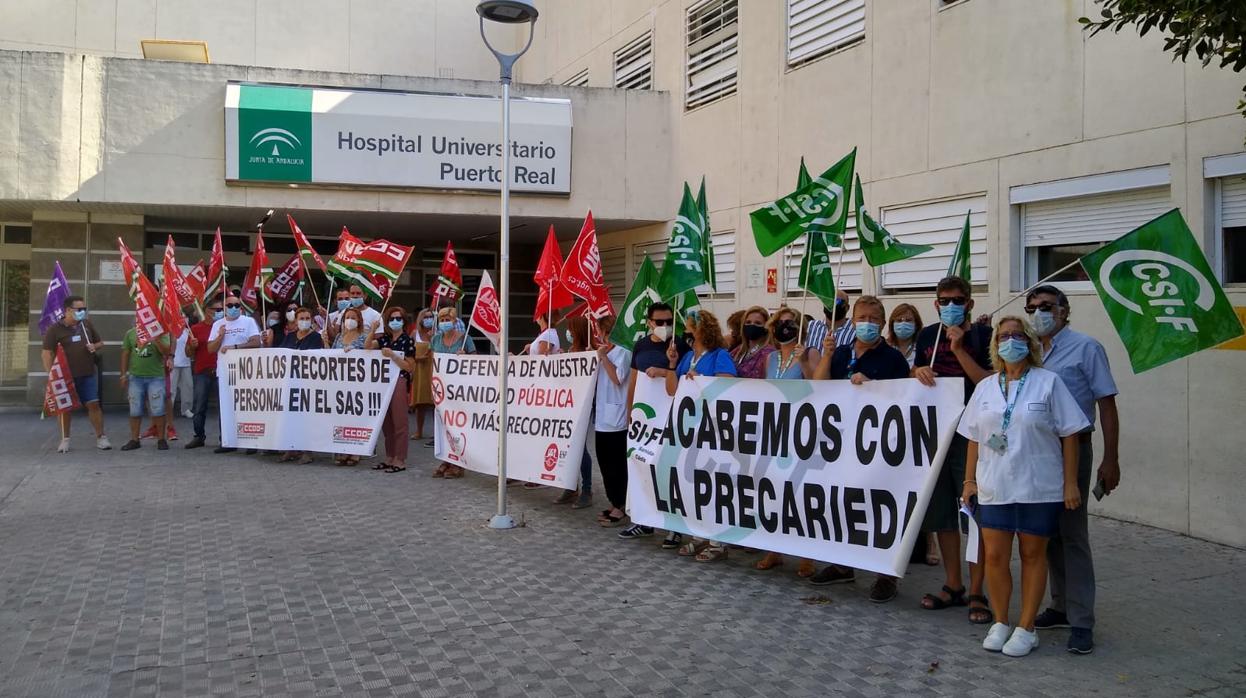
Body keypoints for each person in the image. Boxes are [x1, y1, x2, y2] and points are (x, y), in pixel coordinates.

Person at [959, 316, 1088, 657]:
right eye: (1003, 336)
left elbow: (1071, 433)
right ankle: (1001, 621)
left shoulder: (1049, 382)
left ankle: (1027, 627)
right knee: (997, 558)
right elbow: (973, 437)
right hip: (994, 486)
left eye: (1017, 335)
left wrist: (1070, 482)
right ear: (995, 344)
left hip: (1038, 487)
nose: (1010, 341)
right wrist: (969, 480)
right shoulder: (986, 386)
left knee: (1033, 556)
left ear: (1030, 342)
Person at [1023, 285, 1120, 655]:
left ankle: (1082, 621)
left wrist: (1110, 459)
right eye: (1032, 308)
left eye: (1046, 307)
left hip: (1074, 451)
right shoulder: (1029, 348)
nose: (1039, 313)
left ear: (1064, 310)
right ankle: (1060, 605)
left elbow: (1106, 404)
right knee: (1047, 534)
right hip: (1037, 453)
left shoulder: (1086, 348)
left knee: (1074, 534)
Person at [805, 296, 913, 598]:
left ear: (882, 322)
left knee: (880, 508)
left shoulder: (893, 359)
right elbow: (820, 386)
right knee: (842, 503)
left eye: (874, 319)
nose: (867, 323)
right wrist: (826, 357)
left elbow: (904, 401)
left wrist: (873, 387)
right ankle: (842, 565)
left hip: (878, 446)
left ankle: (886, 574)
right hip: (841, 443)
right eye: (861, 317)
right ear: (852, 321)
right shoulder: (840, 352)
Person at [913, 276, 994, 624]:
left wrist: (960, 349)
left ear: (970, 304)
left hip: (971, 434)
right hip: (935, 431)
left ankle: (978, 590)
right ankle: (953, 583)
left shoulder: (983, 337)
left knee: (974, 510)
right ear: (935, 304)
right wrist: (917, 370)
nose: (951, 306)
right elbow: (913, 374)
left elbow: (989, 383)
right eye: (944, 300)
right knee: (942, 510)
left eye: (958, 300)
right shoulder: (927, 335)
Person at [665, 309, 737, 562]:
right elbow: (672, 389)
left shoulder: (719, 355)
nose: (685, 332)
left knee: (714, 484)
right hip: (690, 430)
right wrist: (672, 365)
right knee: (694, 483)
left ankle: (718, 541)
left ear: (701, 330)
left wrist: (703, 380)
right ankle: (698, 535)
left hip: (714, 429)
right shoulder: (687, 357)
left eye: (689, 328)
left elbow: (729, 382)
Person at [751, 306, 818, 576]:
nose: (784, 327)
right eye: (780, 323)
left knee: (800, 492)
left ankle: (806, 553)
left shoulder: (810, 353)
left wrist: (804, 363)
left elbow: (821, 387)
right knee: (774, 489)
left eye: (790, 323)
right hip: (774, 430)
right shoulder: (771, 358)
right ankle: (774, 549)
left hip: (800, 430)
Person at [617, 302, 690, 543]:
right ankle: (642, 520)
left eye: (669, 322)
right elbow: (634, 381)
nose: (665, 326)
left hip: (669, 417)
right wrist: (630, 411)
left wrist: (663, 370)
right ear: (649, 323)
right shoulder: (640, 345)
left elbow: (682, 378)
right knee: (640, 466)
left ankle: (674, 527)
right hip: (643, 420)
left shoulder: (678, 345)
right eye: (660, 322)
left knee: (668, 468)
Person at [42, 296, 111, 452]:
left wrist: (95, 346)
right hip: (65, 376)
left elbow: (100, 342)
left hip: (87, 372)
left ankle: (101, 437)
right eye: (79, 309)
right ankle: (65, 439)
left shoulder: (86, 324)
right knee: (65, 408)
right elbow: (47, 353)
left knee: (93, 404)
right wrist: (51, 376)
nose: (83, 312)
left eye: (84, 309)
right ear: (68, 310)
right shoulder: (55, 329)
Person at [209, 295, 262, 454]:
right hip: (225, 373)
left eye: (236, 305)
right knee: (225, 406)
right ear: (224, 307)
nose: (233, 308)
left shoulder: (248, 322)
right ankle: (226, 440)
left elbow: (256, 342)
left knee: (248, 406)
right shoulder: (218, 324)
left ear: (241, 307)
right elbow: (210, 349)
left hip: (247, 371)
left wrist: (236, 347)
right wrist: (220, 336)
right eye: (230, 305)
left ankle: (251, 443)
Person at [593, 315, 632, 527]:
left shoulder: (623, 351)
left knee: (616, 465)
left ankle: (620, 506)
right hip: (601, 419)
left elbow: (617, 378)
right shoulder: (606, 351)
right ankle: (613, 501)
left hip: (616, 420)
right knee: (605, 463)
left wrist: (604, 358)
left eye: (598, 329)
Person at [369, 306, 417, 473]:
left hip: (399, 381)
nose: (395, 321)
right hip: (384, 382)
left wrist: (394, 356)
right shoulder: (384, 339)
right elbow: (368, 347)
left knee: (400, 422)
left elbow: (410, 367)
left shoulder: (407, 340)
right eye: (392, 319)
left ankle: (400, 458)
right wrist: (372, 330)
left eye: (399, 318)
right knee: (387, 422)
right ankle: (390, 456)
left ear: (403, 321)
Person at [553, 316, 594, 507]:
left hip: (583, 406)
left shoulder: (590, 352)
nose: (568, 333)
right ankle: (570, 486)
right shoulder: (570, 351)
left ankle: (586, 489)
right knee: (568, 446)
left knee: (581, 448)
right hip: (568, 406)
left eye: (570, 329)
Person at [430, 306, 475, 478]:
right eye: (441, 320)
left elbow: (476, 361)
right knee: (442, 426)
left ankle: (459, 462)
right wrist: (431, 386)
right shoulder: (435, 340)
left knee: (459, 426)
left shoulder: (465, 339)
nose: (444, 323)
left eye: (447, 319)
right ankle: (446, 459)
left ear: (455, 322)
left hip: (460, 390)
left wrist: (466, 356)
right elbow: (433, 364)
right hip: (441, 390)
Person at [118, 324, 172, 451]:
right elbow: (125, 353)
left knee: (158, 409)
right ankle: (134, 439)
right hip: (135, 377)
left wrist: (156, 339)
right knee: (135, 410)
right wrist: (123, 374)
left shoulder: (161, 333)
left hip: (156, 377)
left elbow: (166, 352)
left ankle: (161, 439)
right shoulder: (130, 333)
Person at [185, 301, 222, 449]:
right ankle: (198, 436)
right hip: (202, 372)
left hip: (221, 372)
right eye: (216, 309)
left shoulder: (225, 327)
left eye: (221, 309)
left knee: (223, 407)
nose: (219, 311)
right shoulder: (196, 328)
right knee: (199, 406)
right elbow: (188, 353)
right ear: (207, 310)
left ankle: (224, 438)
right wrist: (191, 346)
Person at [409, 308, 436, 442]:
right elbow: (408, 352)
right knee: (420, 404)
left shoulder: (438, 334)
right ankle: (419, 431)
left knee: (436, 403)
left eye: (431, 317)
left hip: (434, 370)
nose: (428, 319)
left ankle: (436, 433)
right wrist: (418, 358)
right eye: (425, 317)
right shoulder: (415, 334)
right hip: (420, 370)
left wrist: (433, 339)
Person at [730, 306, 773, 378]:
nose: (752, 325)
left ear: (766, 328)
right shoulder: (738, 350)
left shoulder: (769, 353)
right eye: (748, 322)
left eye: (758, 323)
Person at [170, 313, 195, 419]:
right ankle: (168, 409)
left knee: (188, 387)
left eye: (185, 317)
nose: (184, 319)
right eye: (181, 317)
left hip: (186, 363)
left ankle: (186, 409)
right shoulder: (171, 331)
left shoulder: (189, 332)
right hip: (173, 364)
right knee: (171, 389)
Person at [886, 303, 923, 370]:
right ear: (892, 324)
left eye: (908, 320)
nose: (903, 324)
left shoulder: (923, 348)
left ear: (916, 325)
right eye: (899, 320)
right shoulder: (884, 347)